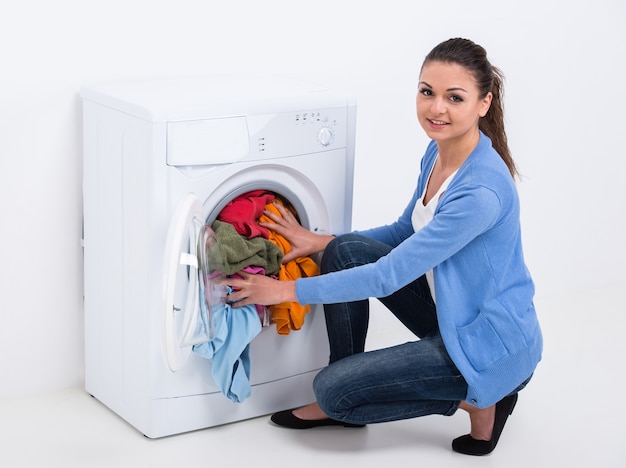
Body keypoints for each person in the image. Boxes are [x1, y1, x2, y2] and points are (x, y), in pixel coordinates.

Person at [225, 37, 543, 456]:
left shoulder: (480, 191)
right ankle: (348, 375)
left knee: (334, 393)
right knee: (343, 252)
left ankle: (483, 398)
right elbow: (403, 231)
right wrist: (321, 242)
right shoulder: (439, 153)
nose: (436, 108)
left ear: (483, 103)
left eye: (455, 97)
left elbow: (387, 275)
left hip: (489, 344)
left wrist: (282, 291)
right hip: (452, 314)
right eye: (427, 91)